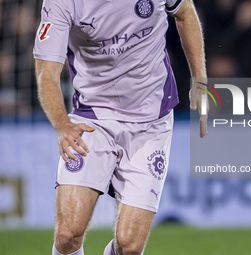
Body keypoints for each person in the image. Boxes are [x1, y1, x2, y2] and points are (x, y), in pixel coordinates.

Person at [33, 0, 207, 254]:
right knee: (67, 234)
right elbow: (46, 75)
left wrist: (200, 79)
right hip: (93, 118)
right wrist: (62, 125)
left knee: (129, 247)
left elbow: (184, 13)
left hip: (151, 120)